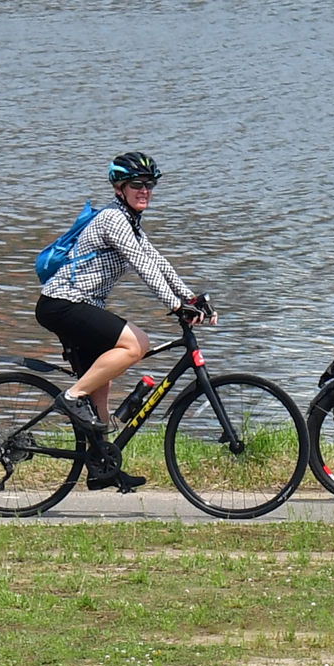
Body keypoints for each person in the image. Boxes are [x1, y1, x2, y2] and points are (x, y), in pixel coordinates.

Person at [35, 151, 213, 492]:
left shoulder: (130, 223)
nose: (144, 190)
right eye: (137, 185)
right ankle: (70, 398)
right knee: (137, 344)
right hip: (62, 304)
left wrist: (191, 298)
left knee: (102, 385)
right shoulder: (113, 221)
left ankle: (102, 466)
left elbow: (157, 261)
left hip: (78, 305)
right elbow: (143, 268)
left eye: (150, 185)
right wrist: (176, 307)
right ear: (120, 188)